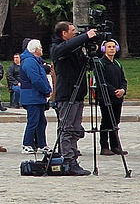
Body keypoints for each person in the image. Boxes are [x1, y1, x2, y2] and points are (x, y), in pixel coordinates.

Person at [52, 21, 98, 174]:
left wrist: (93, 51)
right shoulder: (58, 48)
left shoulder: (75, 49)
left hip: (78, 94)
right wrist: (86, 36)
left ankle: (74, 157)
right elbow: (67, 47)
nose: (75, 33)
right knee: (67, 128)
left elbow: (87, 65)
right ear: (64, 34)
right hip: (67, 94)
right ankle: (67, 160)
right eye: (72, 30)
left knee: (76, 128)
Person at [19, 39, 51, 154]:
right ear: (36, 49)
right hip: (32, 96)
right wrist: (46, 90)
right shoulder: (29, 62)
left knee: (42, 121)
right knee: (33, 121)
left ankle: (42, 144)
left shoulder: (35, 61)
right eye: (40, 47)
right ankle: (27, 144)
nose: (42, 49)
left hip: (37, 96)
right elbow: (36, 80)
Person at [96, 40, 128, 156]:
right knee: (106, 122)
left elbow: (123, 80)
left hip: (118, 99)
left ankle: (115, 145)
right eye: (109, 47)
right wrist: (114, 91)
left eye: (113, 47)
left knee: (115, 122)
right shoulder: (100, 64)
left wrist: (122, 90)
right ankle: (104, 146)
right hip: (106, 98)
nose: (111, 49)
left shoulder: (118, 64)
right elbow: (101, 82)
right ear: (104, 49)